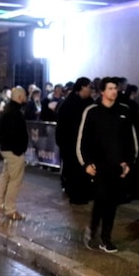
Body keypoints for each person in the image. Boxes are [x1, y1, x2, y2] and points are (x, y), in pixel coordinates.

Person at [76, 77, 139, 253]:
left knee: (111, 203)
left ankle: (106, 238)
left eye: (115, 88)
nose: (114, 91)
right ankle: (93, 229)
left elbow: (131, 140)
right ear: (102, 91)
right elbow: (82, 140)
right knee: (101, 200)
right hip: (99, 167)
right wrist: (86, 163)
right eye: (110, 88)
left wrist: (129, 162)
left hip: (117, 166)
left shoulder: (124, 111)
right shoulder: (92, 111)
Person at [55, 76, 95, 204]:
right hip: (71, 144)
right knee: (73, 170)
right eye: (89, 87)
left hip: (83, 144)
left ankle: (84, 192)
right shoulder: (69, 104)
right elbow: (65, 127)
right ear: (82, 87)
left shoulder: (88, 102)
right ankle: (76, 194)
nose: (91, 90)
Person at [0, 86, 29, 221]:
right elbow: (15, 133)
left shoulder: (8, 110)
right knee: (15, 180)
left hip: (7, 149)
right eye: (24, 95)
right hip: (14, 151)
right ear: (19, 97)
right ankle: (10, 209)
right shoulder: (14, 112)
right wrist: (19, 149)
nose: (25, 98)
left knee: (6, 177)